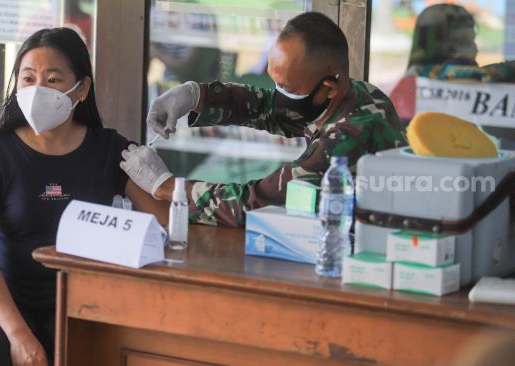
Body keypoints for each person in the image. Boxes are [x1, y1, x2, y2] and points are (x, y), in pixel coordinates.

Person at [0, 27, 167, 366]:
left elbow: (167, 224)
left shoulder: (111, 150)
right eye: (28, 78)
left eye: (52, 79)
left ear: (81, 88)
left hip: (82, 297)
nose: (38, 89)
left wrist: (164, 183)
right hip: (2, 301)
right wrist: (18, 334)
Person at [121, 12, 407, 228]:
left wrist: (167, 186)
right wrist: (197, 95)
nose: (280, 95)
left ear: (329, 88)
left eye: (290, 89)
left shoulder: (346, 138)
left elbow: (254, 204)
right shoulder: (357, 94)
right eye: (276, 82)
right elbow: (267, 106)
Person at [391, 3, 515, 122]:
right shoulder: (441, 81)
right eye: (466, 41)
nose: (475, 48)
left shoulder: (407, 84)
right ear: (446, 46)